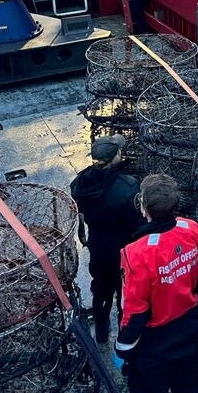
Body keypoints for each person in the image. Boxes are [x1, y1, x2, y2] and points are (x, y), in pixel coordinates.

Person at [114, 174, 198, 393]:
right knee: (190, 384)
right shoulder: (191, 228)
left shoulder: (135, 253)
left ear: (144, 208)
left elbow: (135, 311)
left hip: (155, 340)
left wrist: (123, 348)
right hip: (189, 325)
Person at [70, 135, 144, 343]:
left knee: (100, 288)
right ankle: (124, 333)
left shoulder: (78, 183)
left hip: (98, 245)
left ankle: (101, 330)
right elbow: (137, 223)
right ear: (115, 157)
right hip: (123, 250)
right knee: (125, 294)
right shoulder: (128, 187)